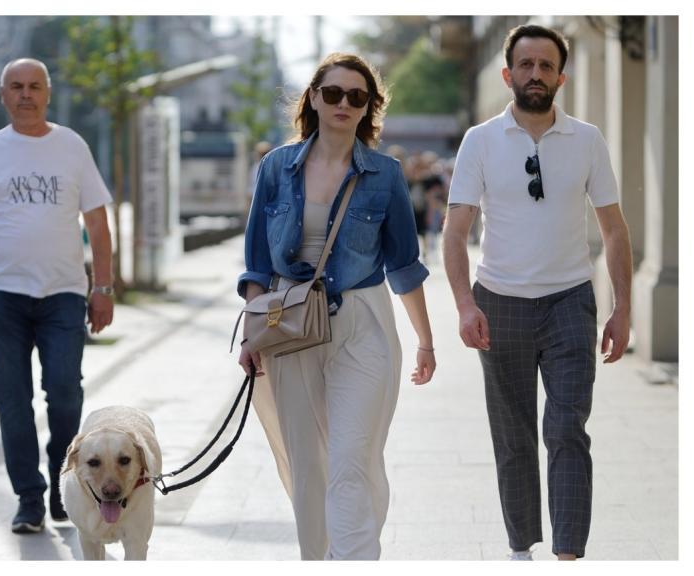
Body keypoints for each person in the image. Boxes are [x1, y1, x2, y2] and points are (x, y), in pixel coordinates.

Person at [442, 25, 633, 561]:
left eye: (546, 66)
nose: (535, 74)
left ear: (560, 77)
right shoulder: (479, 141)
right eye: (525, 65)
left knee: (567, 425)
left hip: (570, 299)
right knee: (513, 435)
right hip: (498, 301)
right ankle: (521, 551)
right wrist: (464, 305)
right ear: (508, 74)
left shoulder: (588, 139)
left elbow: (615, 229)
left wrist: (622, 309)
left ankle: (569, 554)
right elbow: (454, 232)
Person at [237, 52, 436, 560]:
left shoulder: (385, 174)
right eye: (332, 93)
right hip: (290, 326)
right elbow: (257, 262)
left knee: (353, 457)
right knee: (309, 463)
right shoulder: (276, 168)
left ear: (369, 106)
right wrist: (252, 334)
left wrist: (425, 340)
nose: (343, 104)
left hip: (362, 324)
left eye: (356, 96)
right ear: (314, 99)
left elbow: (404, 264)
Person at [0, 58, 115, 534]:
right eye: (16, 86)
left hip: (63, 293)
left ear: (47, 93)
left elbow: (98, 225)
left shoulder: (72, 147)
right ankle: (28, 497)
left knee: (65, 393)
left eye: (34, 86)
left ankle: (66, 485)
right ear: (3, 95)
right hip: (3, 294)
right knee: (12, 399)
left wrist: (102, 287)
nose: (26, 94)